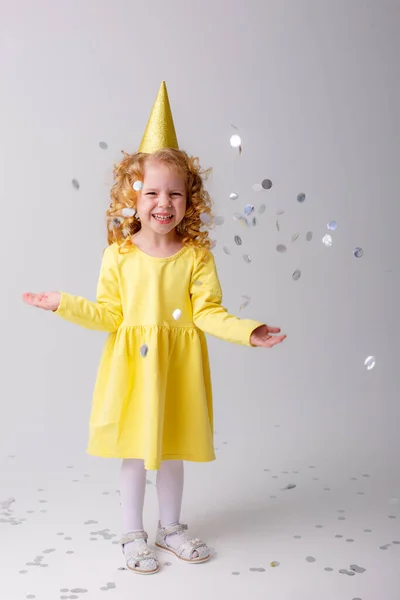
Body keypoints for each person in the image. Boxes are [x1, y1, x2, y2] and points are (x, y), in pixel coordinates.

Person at [22, 81, 286, 575]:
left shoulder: (196, 257)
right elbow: (108, 314)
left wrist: (248, 331)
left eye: (175, 193)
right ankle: (132, 534)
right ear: (132, 196)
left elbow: (208, 312)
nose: (163, 202)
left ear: (190, 200)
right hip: (133, 371)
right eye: (151, 192)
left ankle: (170, 528)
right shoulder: (118, 256)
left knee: (170, 452)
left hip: (178, 369)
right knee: (134, 455)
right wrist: (63, 303)